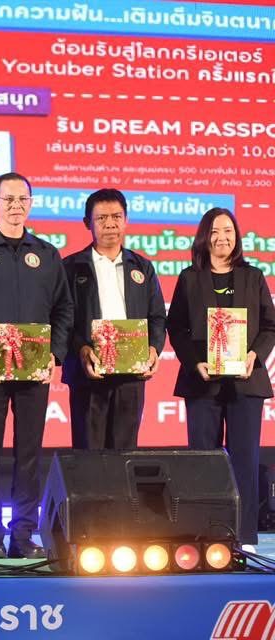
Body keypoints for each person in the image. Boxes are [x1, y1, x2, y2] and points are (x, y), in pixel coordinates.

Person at [0, 172, 73, 559]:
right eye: (8, 199)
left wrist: (54, 354)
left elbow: (64, 309)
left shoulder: (47, 253)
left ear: (31, 204)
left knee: (30, 454)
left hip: (35, 368)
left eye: (23, 199)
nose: (16, 206)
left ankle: (23, 534)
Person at [167, 208, 275, 550]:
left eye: (228, 230)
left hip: (246, 381)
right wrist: (194, 362)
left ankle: (244, 537)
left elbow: (270, 325)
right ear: (204, 237)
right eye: (214, 231)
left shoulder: (253, 276)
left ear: (237, 236)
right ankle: (205, 536)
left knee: (244, 459)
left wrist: (254, 355)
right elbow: (176, 328)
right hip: (202, 381)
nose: (222, 238)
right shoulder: (189, 277)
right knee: (204, 461)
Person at [62, 189, 165, 450]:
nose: (110, 224)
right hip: (89, 372)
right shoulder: (70, 267)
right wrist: (82, 350)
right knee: (89, 453)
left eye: (117, 216)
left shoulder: (142, 267)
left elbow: (156, 316)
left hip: (131, 374)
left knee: (125, 452)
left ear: (126, 220)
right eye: (102, 218)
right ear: (87, 223)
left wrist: (154, 349)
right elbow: (62, 320)